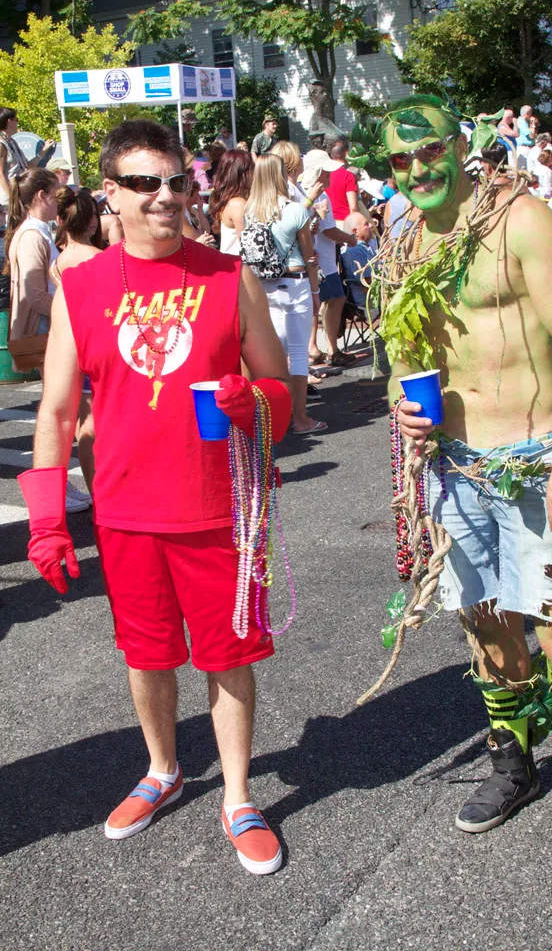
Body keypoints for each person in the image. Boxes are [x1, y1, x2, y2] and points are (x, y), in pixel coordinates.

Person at [18, 118, 293, 874]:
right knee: (147, 655)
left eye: (175, 181)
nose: (165, 197)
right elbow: (57, 411)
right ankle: (163, 768)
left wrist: (252, 401)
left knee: (227, 655)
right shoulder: (82, 288)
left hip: (219, 509)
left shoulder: (230, 277)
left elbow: (283, 390)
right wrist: (47, 520)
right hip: (125, 513)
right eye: (144, 183)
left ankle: (237, 796)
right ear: (109, 193)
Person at [381, 93, 552, 898]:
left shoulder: (520, 222)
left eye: (429, 151)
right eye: (399, 159)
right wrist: (402, 406)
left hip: (533, 464)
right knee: (487, 624)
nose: (417, 169)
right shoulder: (402, 243)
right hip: (454, 469)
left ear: (459, 147)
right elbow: (402, 359)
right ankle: (514, 763)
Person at [6, 168, 91, 513]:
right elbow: (34, 294)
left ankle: (61, 486)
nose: (62, 197)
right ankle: (54, 491)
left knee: (60, 410)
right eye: (57, 191)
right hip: (43, 331)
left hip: (49, 328)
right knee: (56, 413)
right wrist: (70, 314)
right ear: (42, 195)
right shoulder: (31, 235)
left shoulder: (39, 232)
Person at [244, 153, 325, 434]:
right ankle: (300, 418)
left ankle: (271, 418)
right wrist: (315, 290)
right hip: (294, 283)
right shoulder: (295, 211)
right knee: (299, 354)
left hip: (263, 286)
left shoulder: (250, 212)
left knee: (273, 354)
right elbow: (309, 256)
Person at [50, 186, 104, 495]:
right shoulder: (96, 258)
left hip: (67, 344)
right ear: (89, 219)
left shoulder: (59, 260)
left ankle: (94, 490)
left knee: (84, 425)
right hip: (93, 343)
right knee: (97, 425)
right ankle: (101, 491)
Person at [296, 148, 358, 368]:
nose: (330, 175)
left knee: (316, 303)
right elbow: (328, 230)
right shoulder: (316, 196)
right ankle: (331, 349)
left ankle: (314, 347)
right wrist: (350, 239)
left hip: (314, 259)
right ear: (317, 172)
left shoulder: (302, 191)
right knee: (335, 298)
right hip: (321, 261)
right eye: (326, 171)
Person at [0, 108, 56, 208]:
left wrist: (44, 150)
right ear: (9, 121)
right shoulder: (2, 144)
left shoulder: (12, 142)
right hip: (9, 200)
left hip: (21, 193)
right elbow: (0, 175)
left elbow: (28, 166)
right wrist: (12, 198)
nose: (17, 123)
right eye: (16, 120)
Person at [209, 149, 254, 256]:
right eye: (252, 169)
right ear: (243, 173)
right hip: (239, 262)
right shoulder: (237, 204)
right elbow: (248, 245)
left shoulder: (230, 200)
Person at [340, 212, 379, 320]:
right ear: (355, 231)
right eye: (366, 224)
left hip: (373, 297)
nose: (371, 225)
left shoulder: (364, 247)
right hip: (367, 303)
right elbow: (366, 281)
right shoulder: (355, 250)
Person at [324, 141, 358, 226]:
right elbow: (353, 207)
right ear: (346, 154)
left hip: (329, 223)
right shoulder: (348, 176)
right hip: (346, 222)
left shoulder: (324, 175)